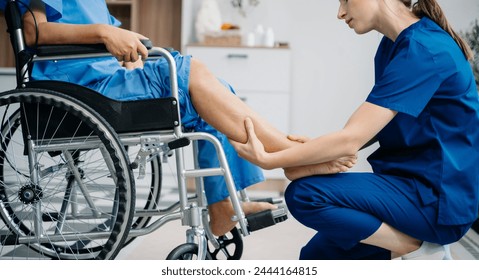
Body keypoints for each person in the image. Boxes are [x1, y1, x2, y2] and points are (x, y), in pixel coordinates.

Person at [0, 0, 357, 237]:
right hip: (83, 89)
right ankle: (292, 156)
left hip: (106, 79)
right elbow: (33, 32)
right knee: (192, 75)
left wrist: (129, 50)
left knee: (215, 92)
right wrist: (106, 33)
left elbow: (122, 40)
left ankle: (225, 205)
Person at [231, 0, 479, 260]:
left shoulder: (424, 50)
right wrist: (323, 148)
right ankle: (411, 244)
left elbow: (352, 138)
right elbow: (372, 126)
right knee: (316, 258)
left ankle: (417, 247)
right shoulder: (393, 45)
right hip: (407, 184)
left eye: (345, 0)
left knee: (305, 195)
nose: (340, 13)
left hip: (437, 201)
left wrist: (268, 160)